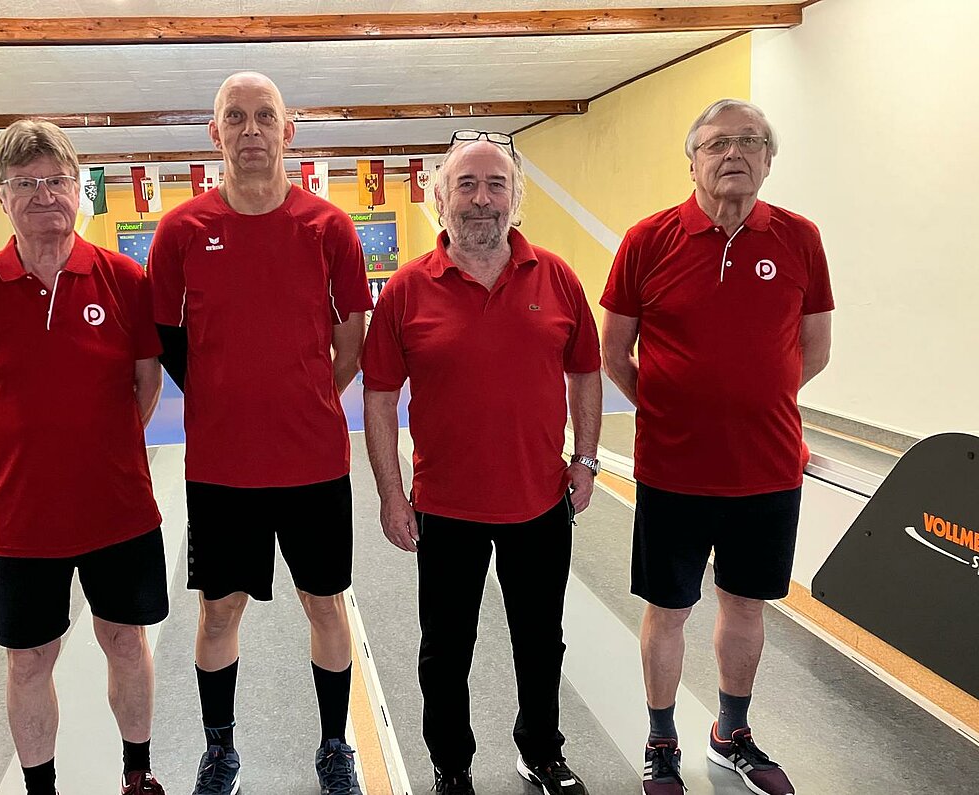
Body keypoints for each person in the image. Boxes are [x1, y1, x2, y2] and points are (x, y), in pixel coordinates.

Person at [146, 72, 372, 795]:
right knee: (219, 612)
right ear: (214, 133)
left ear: (287, 131)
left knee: (325, 604)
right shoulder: (180, 230)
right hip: (222, 469)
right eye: (236, 117)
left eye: (264, 116)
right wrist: (225, 398)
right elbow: (168, 338)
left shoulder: (329, 228)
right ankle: (220, 750)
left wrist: (301, 396)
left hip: (314, 464)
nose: (251, 130)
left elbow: (350, 342)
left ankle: (334, 746)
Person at [600, 99, 833, 795]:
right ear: (693, 161)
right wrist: (672, 407)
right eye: (718, 143)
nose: (735, 153)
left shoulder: (800, 238)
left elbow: (814, 349)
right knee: (668, 609)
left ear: (769, 159)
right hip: (673, 469)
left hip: (767, 468)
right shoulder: (648, 240)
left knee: (746, 605)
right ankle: (661, 737)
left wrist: (753, 404)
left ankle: (731, 734)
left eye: (751, 142)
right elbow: (614, 352)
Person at [362, 130, 602, 795]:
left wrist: (585, 458)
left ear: (515, 199)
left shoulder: (556, 277)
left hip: (540, 500)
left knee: (540, 640)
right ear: (441, 198)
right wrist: (391, 494)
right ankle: (451, 767)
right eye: (465, 185)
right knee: (445, 651)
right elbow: (379, 397)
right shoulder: (407, 289)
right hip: (445, 507)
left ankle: (541, 751)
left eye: (496, 185)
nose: (481, 199)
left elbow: (585, 371)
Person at [0, 120, 169, 795]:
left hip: (117, 509)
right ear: (1, 196)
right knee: (29, 658)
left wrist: (98, 448)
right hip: (19, 519)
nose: (44, 195)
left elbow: (145, 384)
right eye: (25, 183)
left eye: (57, 180)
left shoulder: (125, 279)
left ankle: (137, 772)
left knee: (125, 641)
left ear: (79, 190)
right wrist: (21, 456)